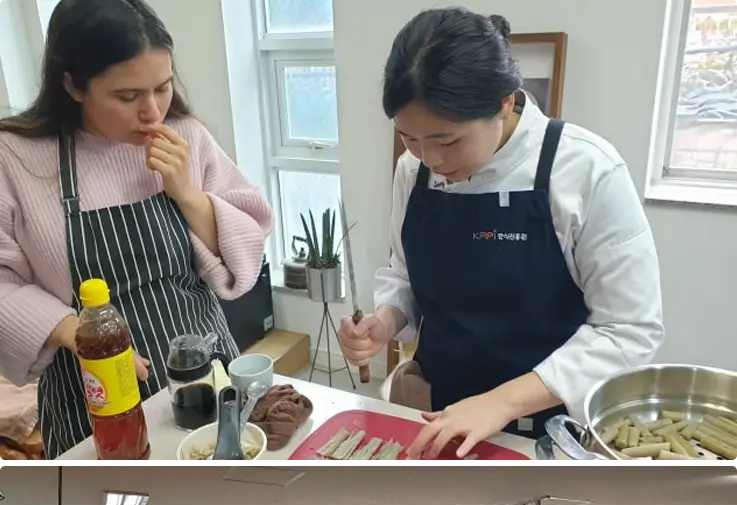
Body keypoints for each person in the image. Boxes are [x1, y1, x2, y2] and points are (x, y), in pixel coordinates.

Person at [339, 8, 664, 460]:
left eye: (448, 141)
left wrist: (501, 402)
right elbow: (406, 274)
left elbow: (629, 330)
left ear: (505, 104)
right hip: (439, 413)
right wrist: (386, 320)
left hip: (552, 428)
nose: (430, 159)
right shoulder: (412, 171)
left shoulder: (585, 170)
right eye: (409, 137)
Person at [0, 0, 273, 459]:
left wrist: (187, 194)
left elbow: (247, 255)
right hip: (90, 399)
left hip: (205, 378)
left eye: (162, 88)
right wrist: (78, 332)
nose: (152, 112)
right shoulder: (15, 157)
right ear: (72, 85)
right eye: (127, 97)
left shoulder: (186, 135)